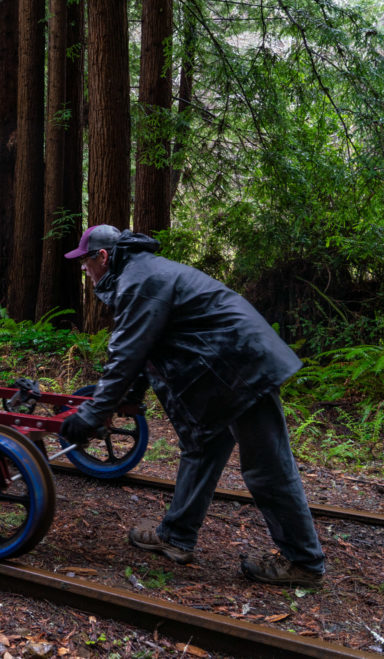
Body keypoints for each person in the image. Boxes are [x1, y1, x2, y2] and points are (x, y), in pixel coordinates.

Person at [59, 224, 325, 586]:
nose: (84, 270)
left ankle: (304, 561)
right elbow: (145, 351)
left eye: (85, 262)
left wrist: (91, 414)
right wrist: (126, 400)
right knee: (201, 447)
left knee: (267, 467)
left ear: (102, 257)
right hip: (225, 370)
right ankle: (176, 536)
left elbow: (126, 354)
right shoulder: (141, 273)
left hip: (243, 367)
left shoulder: (140, 280)